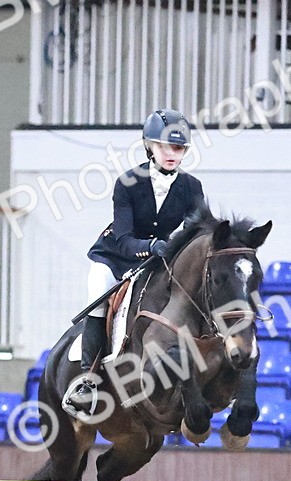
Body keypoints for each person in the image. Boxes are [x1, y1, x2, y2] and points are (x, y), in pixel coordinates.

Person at [62, 108, 206, 417]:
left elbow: (197, 231)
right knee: (98, 293)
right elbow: (124, 238)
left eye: (178, 148)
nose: (171, 154)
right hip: (115, 256)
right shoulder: (127, 183)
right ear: (149, 146)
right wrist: (151, 246)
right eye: (164, 146)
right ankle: (88, 380)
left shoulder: (192, 187)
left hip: (159, 259)